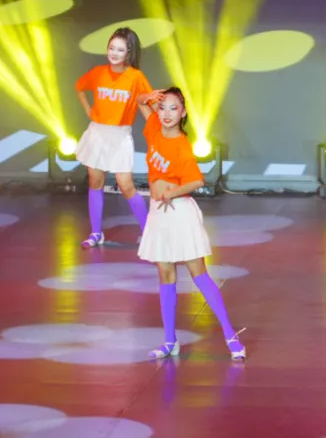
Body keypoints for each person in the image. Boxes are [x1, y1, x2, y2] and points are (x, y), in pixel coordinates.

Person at [136, 87, 246, 361]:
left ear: (183, 113)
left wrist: (171, 193)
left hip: (180, 212)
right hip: (158, 213)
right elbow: (140, 103)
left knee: (199, 274)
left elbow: (197, 180)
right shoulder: (153, 127)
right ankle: (169, 341)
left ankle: (230, 335)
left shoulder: (182, 145)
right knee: (165, 275)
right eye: (163, 107)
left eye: (174, 108)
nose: (166, 114)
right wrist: (149, 97)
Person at [73, 27, 153, 248]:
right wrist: (89, 110)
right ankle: (96, 233)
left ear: (129, 52)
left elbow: (147, 103)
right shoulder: (99, 72)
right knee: (95, 182)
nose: (114, 53)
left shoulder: (135, 77)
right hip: (97, 133)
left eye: (120, 49)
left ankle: (149, 233)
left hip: (120, 136)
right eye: (111, 48)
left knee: (126, 185)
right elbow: (80, 87)